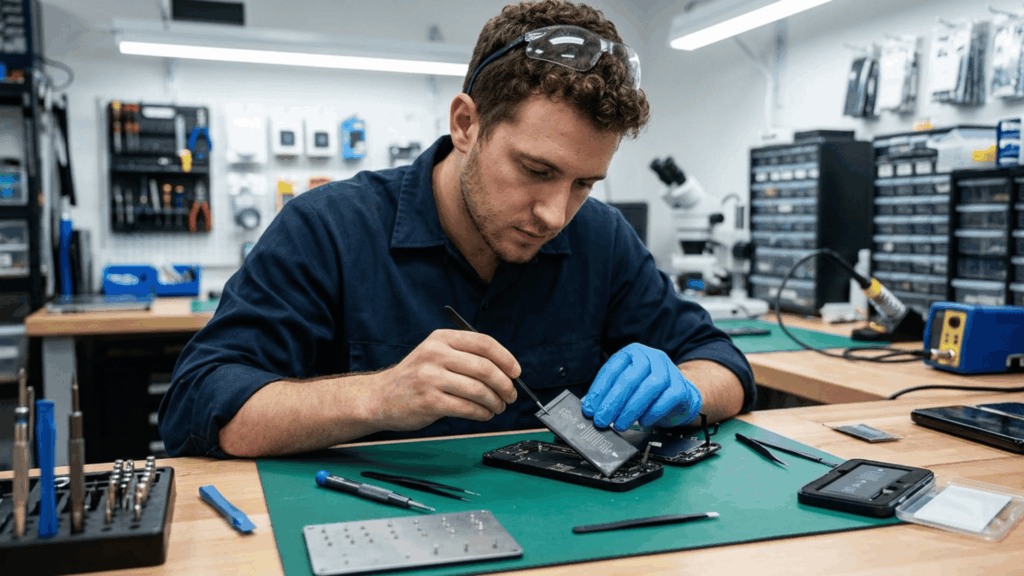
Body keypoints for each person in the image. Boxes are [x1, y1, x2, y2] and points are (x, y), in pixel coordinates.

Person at [158, 0, 755, 458]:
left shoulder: (602, 238)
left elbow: (723, 363)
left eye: (583, 183)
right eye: (536, 170)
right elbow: (200, 404)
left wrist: (687, 390)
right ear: (467, 123)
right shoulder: (327, 229)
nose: (555, 213)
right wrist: (376, 396)